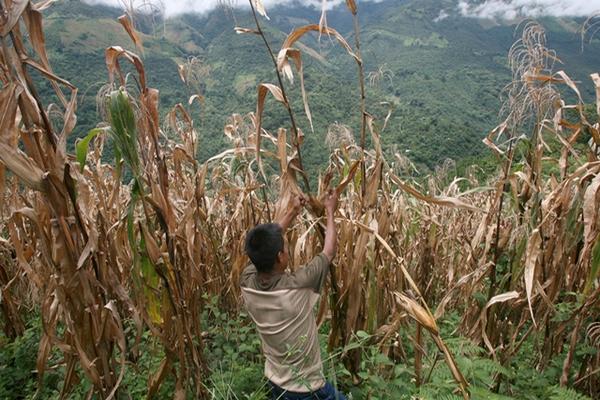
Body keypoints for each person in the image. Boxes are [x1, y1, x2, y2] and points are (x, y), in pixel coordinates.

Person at [240, 190, 347, 400]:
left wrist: (292, 212)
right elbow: (329, 251)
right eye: (286, 248)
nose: (288, 250)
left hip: (274, 379)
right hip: (307, 388)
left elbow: (265, 243)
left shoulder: (246, 279)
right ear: (280, 257)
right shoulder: (297, 287)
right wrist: (330, 210)